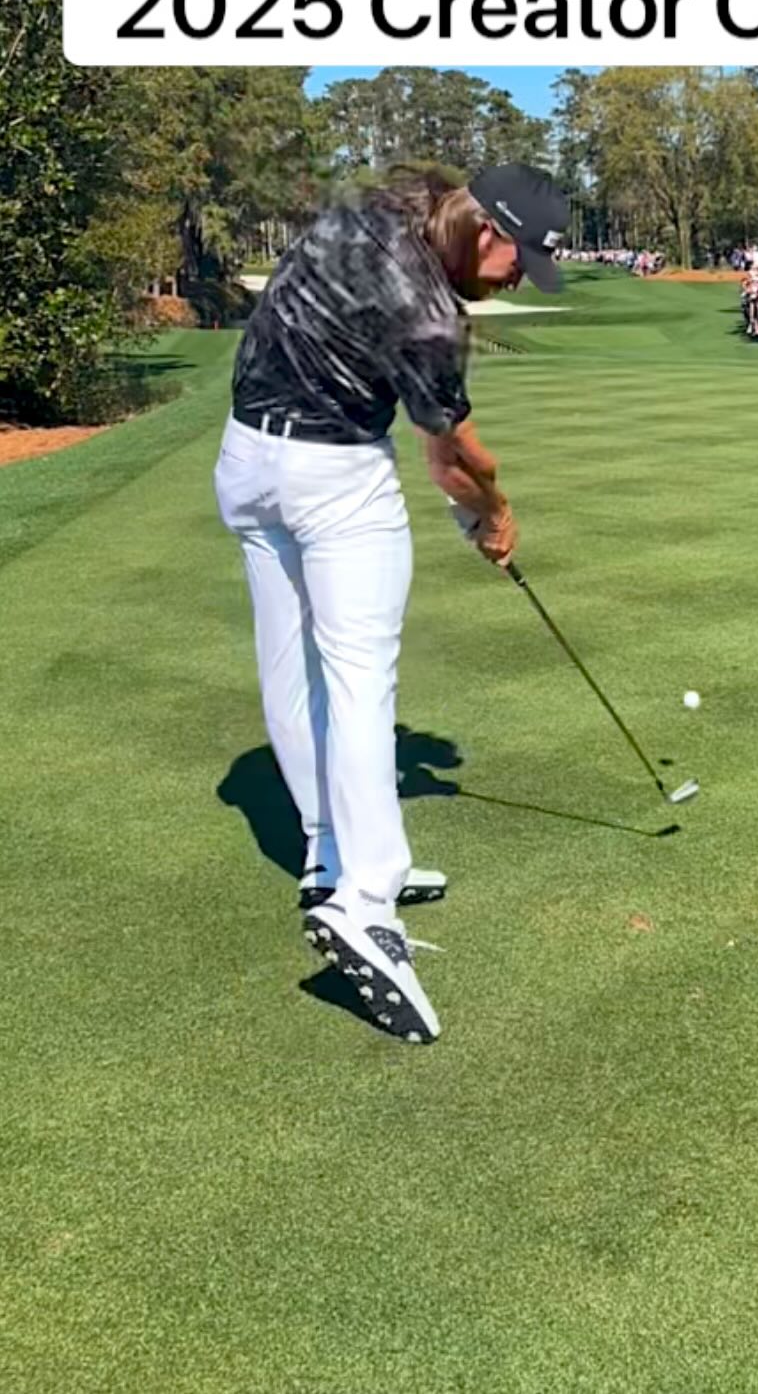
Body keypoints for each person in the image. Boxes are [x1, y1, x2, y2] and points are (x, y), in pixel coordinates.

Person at [213, 160, 570, 1044]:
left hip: (245, 460)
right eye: (520, 258)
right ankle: (366, 902)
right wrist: (494, 514)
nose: (519, 278)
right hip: (334, 474)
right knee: (360, 678)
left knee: (292, 665)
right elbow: (454, 458)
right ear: (487, 229)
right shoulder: (432, 312)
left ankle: (327, 855)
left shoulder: (380, 207)